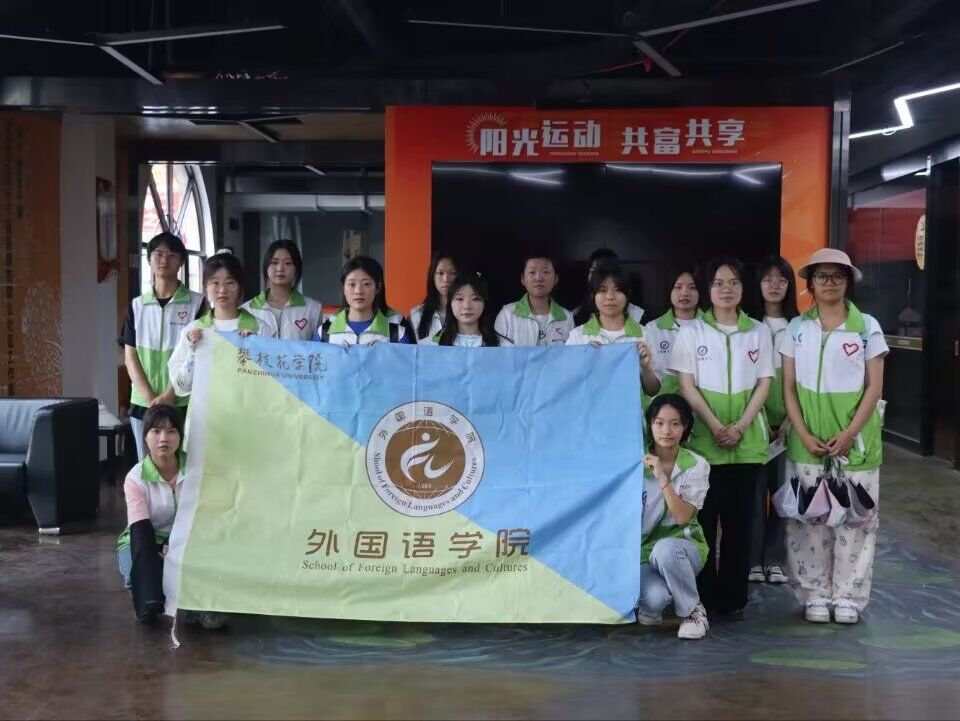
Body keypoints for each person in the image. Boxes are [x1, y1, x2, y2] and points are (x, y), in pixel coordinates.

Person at [781, 248, 887, 625]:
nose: (830, 283)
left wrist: (849, 433)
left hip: (855, 446)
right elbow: (788, 387)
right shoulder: (797, 329)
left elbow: (874, 388)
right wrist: (803, 433)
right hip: (807, 444)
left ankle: (848, 597)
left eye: (837, 276)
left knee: (855, 522)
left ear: (848, 282)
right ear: (811, 283)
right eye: (822, 276)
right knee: (808, 521)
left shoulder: (867, 327)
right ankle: (814, 594)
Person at [669, 256, 774, 617]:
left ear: (743, 288)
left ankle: (733, 598)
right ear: (708, 290)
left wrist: (740, 426)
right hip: (703, 446)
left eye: (733, 283)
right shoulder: (691, 332)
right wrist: (715, 426)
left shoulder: (758, 332)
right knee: (702, 524)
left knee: (739, 526)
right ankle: (703, 595)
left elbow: (764, 384)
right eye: (718, 283)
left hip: (747, 447)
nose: (726, 289)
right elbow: (686, 386)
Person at [115, 404, 224, 629]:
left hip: (187, 537)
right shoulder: (135, 478)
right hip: (142, 540)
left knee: (202, 563)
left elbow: (203, 515)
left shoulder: (196, 469)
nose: (163, 438)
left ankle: (197, 607)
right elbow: (140, 529)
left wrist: (173, 543)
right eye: (156, 431)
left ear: (180, 436)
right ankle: (153, 596)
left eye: (171, 431)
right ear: (145, 437)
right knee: (140, 579)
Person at [119, 232, 203, 460]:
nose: (164, 260)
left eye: (172, 255)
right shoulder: (136, 306)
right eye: (158, 254)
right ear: (149, 260)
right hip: (143, 404)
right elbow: (130, 357)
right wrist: (150, 398)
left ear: (181, 261)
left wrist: (169, 395)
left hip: (182, 401)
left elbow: (198, 356)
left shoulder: (197, 304)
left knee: (184, 465)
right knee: (147, 467)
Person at [637, 394, 711, 640]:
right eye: (659, 423)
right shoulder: (634, 463)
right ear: (650, 425)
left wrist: (661, 476)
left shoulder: (696, 465)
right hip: (642, 553)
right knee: (655, 601)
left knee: (665, 549)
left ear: (685, 426)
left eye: (675, 424)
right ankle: (651, 603)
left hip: (684, 548)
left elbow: (681, 517)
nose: (666, 431)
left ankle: (693, 612)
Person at [748, 255, 799, 586]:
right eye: (768, 279)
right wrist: (758, 419)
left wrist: (792, 421)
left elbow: (803, 381)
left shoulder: (800, 326)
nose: (774, 285)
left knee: (783, 495)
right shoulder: (749, 325)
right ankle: (752, 559)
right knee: (754, 496)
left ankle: (775, 559)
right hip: (755, 424)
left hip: (789, 427)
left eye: (781, 280)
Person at [169, 250, 262, 397]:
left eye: (230, 283)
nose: (222, 290)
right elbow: (181, 387)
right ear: (205, 286)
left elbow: (271, 382)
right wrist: (193, 352)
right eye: (215, 283)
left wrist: (257, 346)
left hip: (247, 407)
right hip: (206, 409)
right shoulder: (193, 330)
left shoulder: (259, 328)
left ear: (240, 286)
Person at [565, 262, 660, 401]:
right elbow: (567, 385)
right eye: (602, 290)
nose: (610, 296)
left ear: (627, 295)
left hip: (631, 413)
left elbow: (653, 390)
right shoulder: (578, 336)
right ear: (593, 295)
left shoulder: (645, 334)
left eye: (617, 290)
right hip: (590, 412)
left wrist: (645, 367)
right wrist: (585, 362)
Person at [317, 256, 412, 346]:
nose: (358, 291)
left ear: (378, 288)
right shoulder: (323, 332)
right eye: (352, 284)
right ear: (343, 288)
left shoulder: (398, 334)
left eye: (366, 284)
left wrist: (385, 352)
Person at [242, 239, 322, 340]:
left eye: (288, 263)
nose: (280, 268)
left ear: (296, 268)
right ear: (266, 267)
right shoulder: (247, 310)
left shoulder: (313, 309)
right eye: (274, 262)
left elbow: (320, 347)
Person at [494, 251, 574, 346]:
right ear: (523, 279)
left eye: (546, 272)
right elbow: (499, 352)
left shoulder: (567, 318)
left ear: (556, 279)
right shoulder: (507, 314)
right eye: (532, 272)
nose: (538, 278)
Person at [644, 270, 702, 397]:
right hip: (665, 404)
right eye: (678, 287)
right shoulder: (652, 329)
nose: (685, 293)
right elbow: (650, 387)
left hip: (703, 404)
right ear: (669, 291)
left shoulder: (711, 327)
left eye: (692, 287)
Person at [432, 272, 509, 347]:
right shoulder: (431, 345)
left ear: (484, 303)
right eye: (460, 299)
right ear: (450, 303)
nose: (467, 306)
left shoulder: (504, 346)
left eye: (475, 299)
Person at [572, 248, 644, 326]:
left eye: (602, 272)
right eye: (593, 271)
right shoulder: (577, 314)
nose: (596, 277)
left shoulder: (637, 315)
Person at [411, 251, 458, 343]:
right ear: (432, 276)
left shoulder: (466, 313)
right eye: (440, 273)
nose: (446, 279)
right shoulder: (417, 314)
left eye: (452, 273)